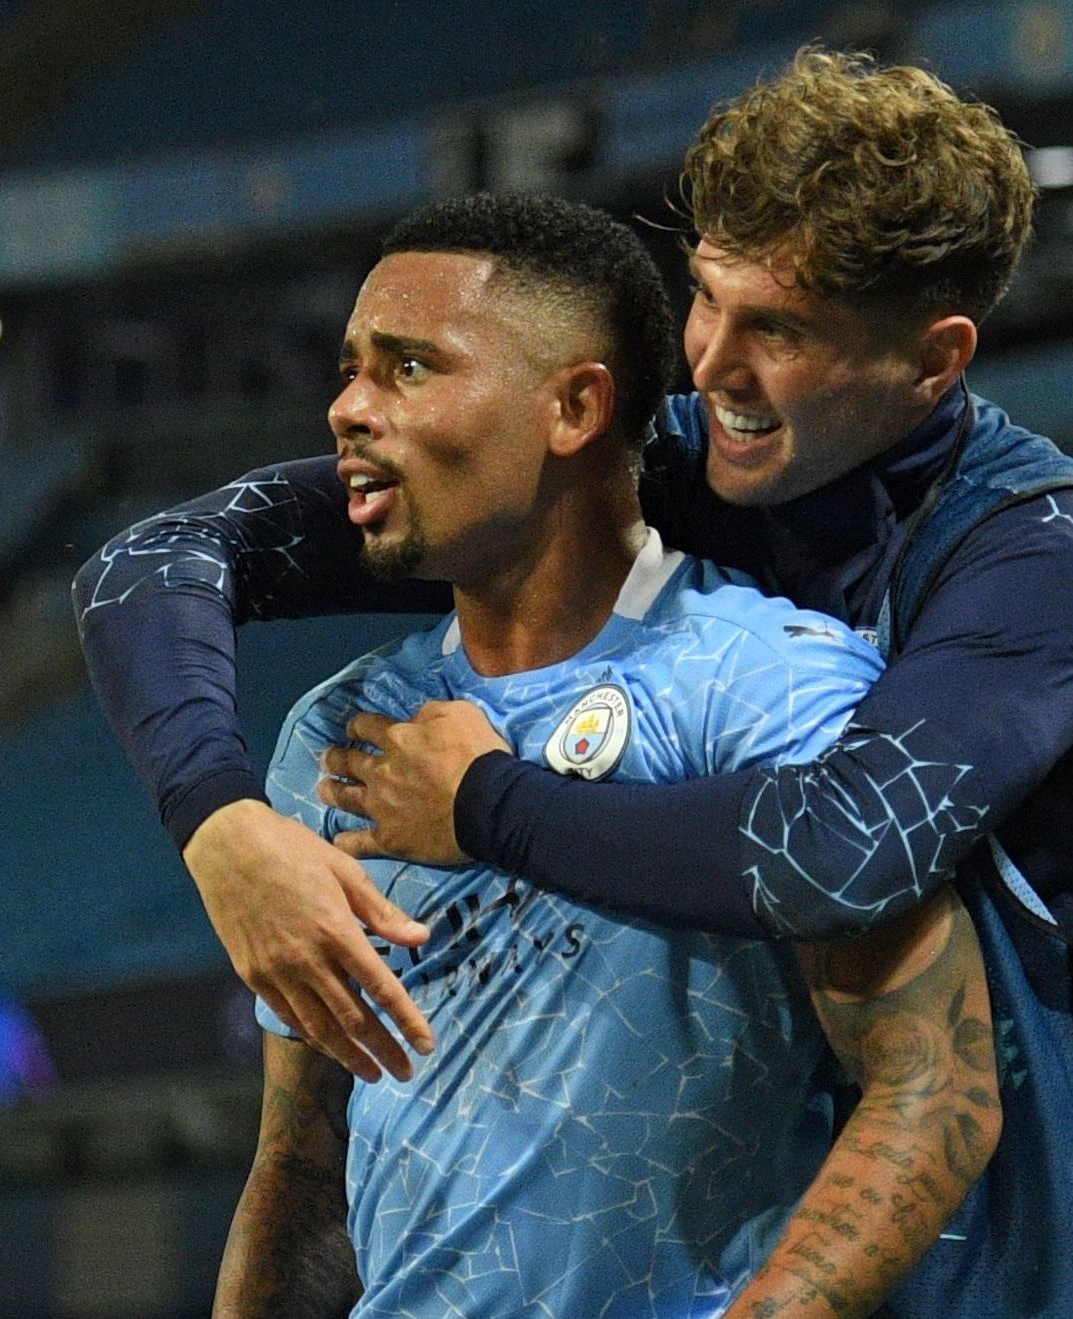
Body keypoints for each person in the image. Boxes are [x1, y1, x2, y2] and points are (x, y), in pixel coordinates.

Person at [78, 49, 1068, 1318]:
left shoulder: (1032, 558)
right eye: (709, 298)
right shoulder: (661, 459)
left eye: (782, 329)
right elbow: (155, 560)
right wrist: (217, 821)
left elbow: (838, 851)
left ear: (935, 361)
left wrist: (490, 803)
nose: (711, 365)